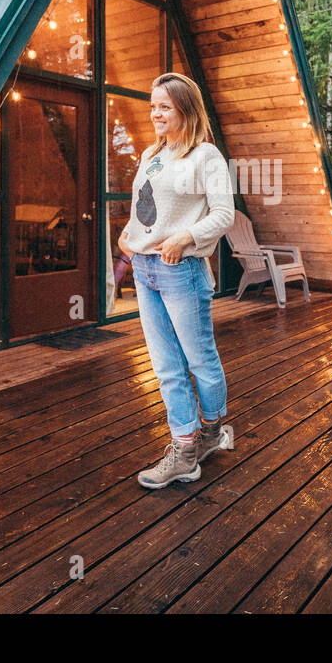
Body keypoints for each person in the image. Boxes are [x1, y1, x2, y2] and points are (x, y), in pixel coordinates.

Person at [118, 73, 236, 489]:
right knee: (166, 366)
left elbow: (224, 214)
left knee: (199, 359)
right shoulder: (152, 153)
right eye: (153, 106)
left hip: (181, 270)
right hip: (145, 270)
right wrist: (129, 237)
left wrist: (187, 237)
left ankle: (211, 429)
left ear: (185, 109)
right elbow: (145, 205)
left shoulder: (206, 157)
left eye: (164, 106)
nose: (155, 114)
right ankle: (184, 449)